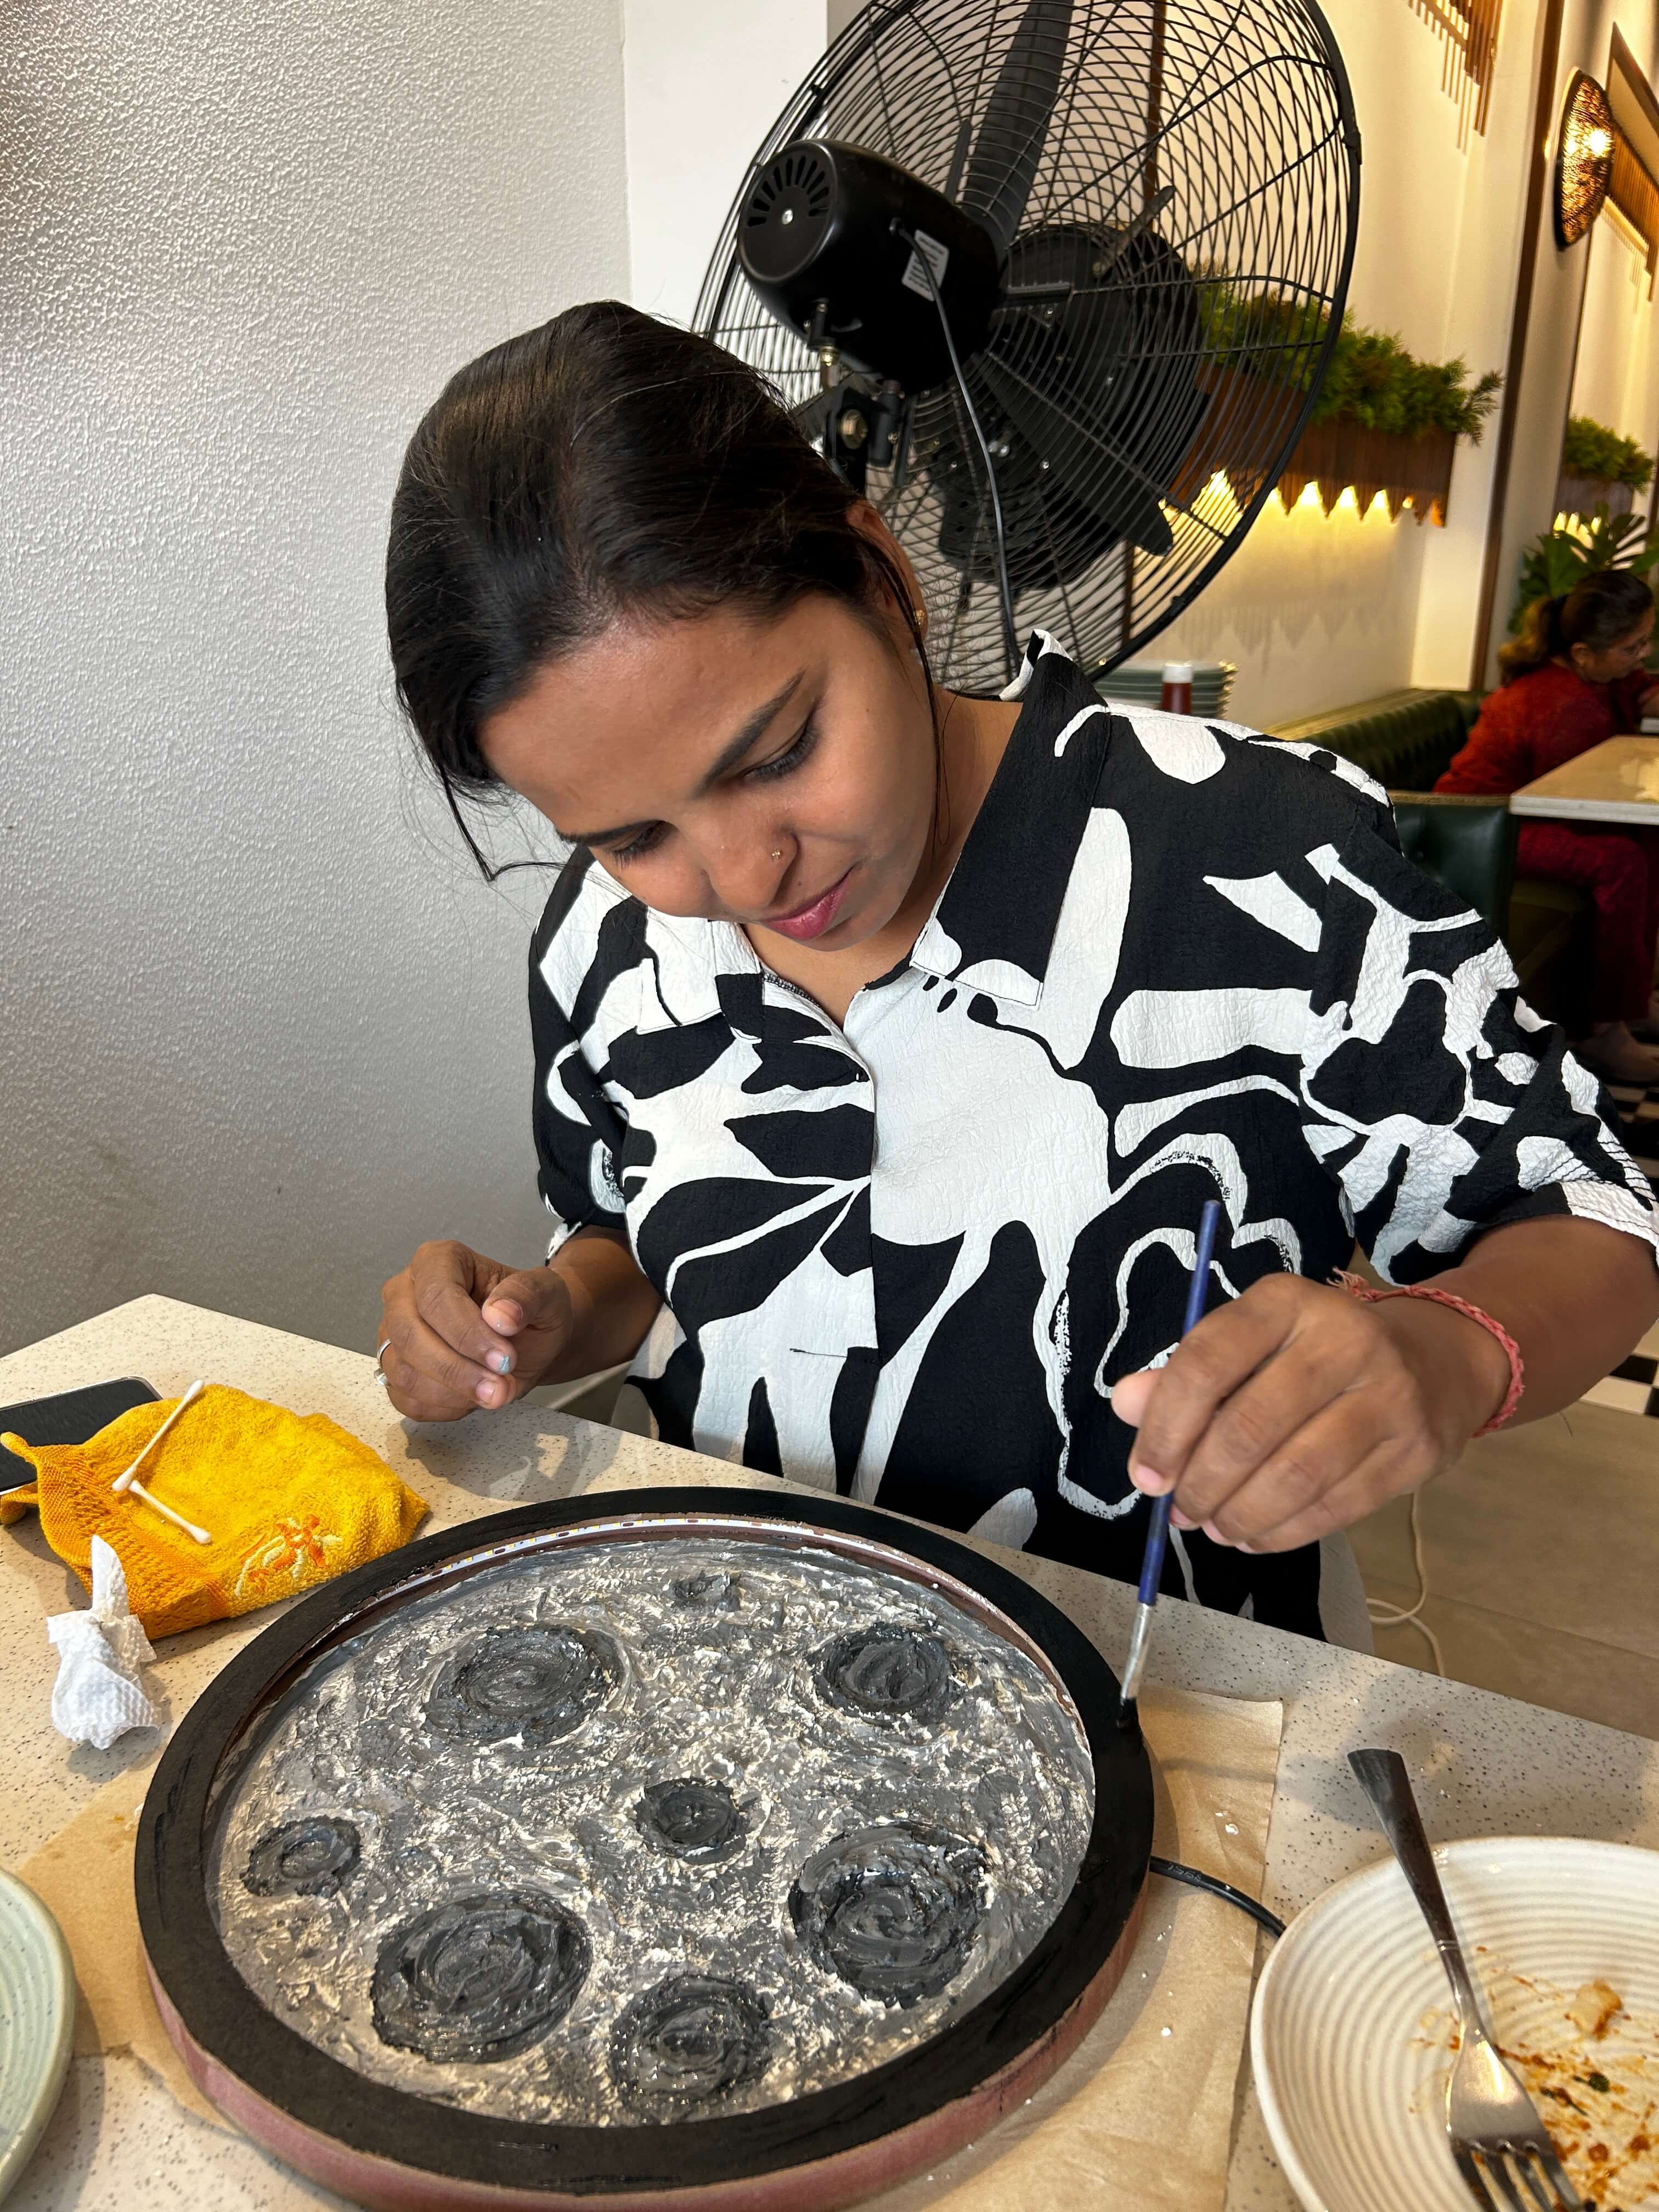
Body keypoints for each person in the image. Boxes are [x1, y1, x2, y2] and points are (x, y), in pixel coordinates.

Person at [376, 302, 1659, 1641]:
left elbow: (1594, 1217)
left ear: (883, 578)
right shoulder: (602, 938)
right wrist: (539, 1317)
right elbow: (632, 1243)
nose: (745, 877)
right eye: (633, 835)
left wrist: (1448, 1353)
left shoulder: (1254, 857)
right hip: (742, 1682)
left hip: (1165, 1712)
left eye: (775, 753)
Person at [1437, 569, 1659, 1085]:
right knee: (1621, 860)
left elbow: (1638, 687)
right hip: (1483, 829)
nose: (1642, 655)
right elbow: (1578, 796)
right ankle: (1600, 1031)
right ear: (1583, 653)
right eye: (1632, 647)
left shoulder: (1595, 675)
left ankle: (1631, 999)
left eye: (1646, 640)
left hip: (1526, 811)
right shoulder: (1562, 703)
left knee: (1645, 840)